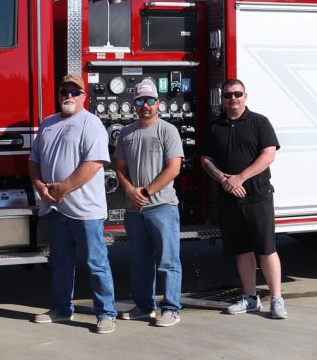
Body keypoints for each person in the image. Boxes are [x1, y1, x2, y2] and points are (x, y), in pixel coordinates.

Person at [29, 74, 117, 334]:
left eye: (74, 92)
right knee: (61, 262)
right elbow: (33, 161)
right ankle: (61, 308)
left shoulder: (91, 124)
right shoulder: (47, 124)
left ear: (84, 96)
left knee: (96, 262)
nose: (68, 96)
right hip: (55, 208)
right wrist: (40, 186)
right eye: (64, 91)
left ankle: (106, 313)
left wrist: (63, 188)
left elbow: (94, 164)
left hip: (85, 210)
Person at [200, 78, 287, 319]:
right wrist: (223, 180)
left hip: (258, 196)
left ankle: (277, 299)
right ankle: (250, 299)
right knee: (242, 251)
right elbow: (205, 160)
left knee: (266, 249)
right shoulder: (215, 126)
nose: (233, 99)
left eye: (237, 94)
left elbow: (268, 155)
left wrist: (240, 177)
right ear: (222, 99)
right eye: (228, 95)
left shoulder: (259, 122)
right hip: (228, 199)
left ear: (245, 96)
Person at [113, 80, 184, 327]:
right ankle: (144, 306)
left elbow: (174, 168)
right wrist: (130, 190)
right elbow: (119, 167)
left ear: (158, 103)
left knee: (168, 261)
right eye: (140, 101)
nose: (145, 105)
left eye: (150, 100)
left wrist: (146, 191)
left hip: (162, 206)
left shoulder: (168, 131)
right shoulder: (126, 133)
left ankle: (171, 308)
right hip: (135, 210)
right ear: (133, 104)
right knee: (141, 261)